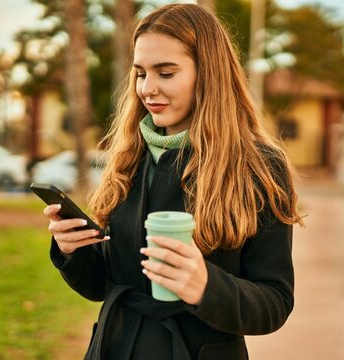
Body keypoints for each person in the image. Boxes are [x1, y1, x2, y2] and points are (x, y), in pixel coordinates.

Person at [43, 3, 303, 359]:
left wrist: (206, 286)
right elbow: (105, 285)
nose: (148, 89)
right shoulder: (128, 157)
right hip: (117, 348)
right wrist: (74, 251)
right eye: (140, 73)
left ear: (208, 74)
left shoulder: (258, 166)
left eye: (165, 73)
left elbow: (274, 301)